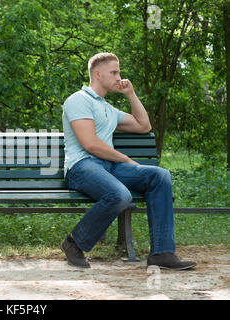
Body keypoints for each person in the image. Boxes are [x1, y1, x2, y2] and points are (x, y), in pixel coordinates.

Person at [60, 52, 196, 270]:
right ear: (97, 73)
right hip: (83, 167)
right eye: (114, 72)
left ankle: (162, 253)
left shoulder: (108, 109)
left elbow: (144, 126)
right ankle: (74, 242)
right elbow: (91, 144)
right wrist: (126, 159)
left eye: (119, 72)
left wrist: (131, 94)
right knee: (120, 195)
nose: (118, 77)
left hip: (109, 168)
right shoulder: (78, 100)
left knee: (159, 176)